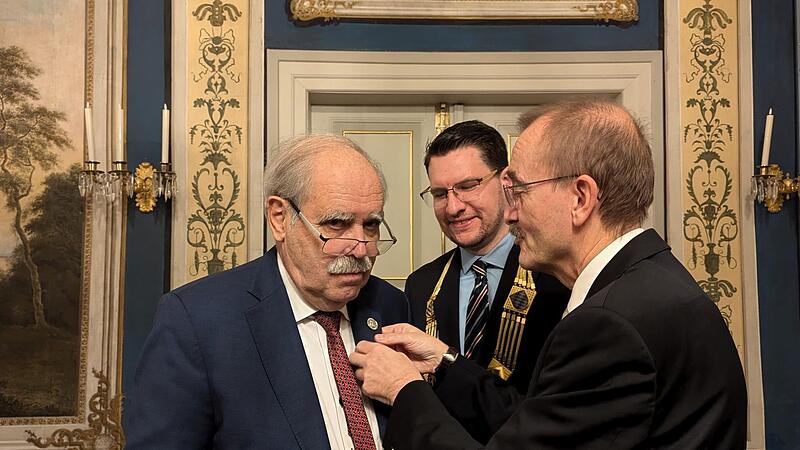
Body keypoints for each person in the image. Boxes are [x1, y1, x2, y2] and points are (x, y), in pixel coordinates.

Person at [350, 99, 748, 449]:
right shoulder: (656, 282)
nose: (509, 212)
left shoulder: (609, 325)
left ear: (580, 198)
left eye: (520, 190)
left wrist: (404, 389)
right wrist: (443, 363)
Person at [125, 135, 410, 449]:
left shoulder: (390, 306)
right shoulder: (198, 321)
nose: (361, 248)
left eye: (371, 225)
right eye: (337, 224)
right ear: (280, 218)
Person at [407, 120, 569, 442]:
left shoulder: (556, 276)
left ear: (506, 182)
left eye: (468, 186)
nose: (453, 207)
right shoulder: (421, 285)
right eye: (440, 193)